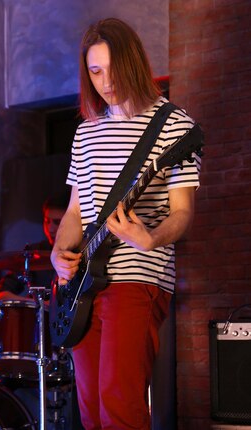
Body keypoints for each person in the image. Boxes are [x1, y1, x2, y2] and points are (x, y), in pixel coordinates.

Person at [50, 18, 200, 429]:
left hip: (138, 276)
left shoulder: (174, 125)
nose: (104, 81)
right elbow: (76, 212)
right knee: (91, 411)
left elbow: (183, 213)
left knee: (120, 403)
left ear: (133, 63)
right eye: (94, 72)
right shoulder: (85, 133)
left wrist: (149, 237)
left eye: (112, 70)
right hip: (82, 286)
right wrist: (59, 253)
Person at [0, 193, 69, 302]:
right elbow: (0, 296)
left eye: (57, 222)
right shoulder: (34, 253)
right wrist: (39, 304)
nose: (50, 228)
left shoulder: (82, 252)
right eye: (47, 221)